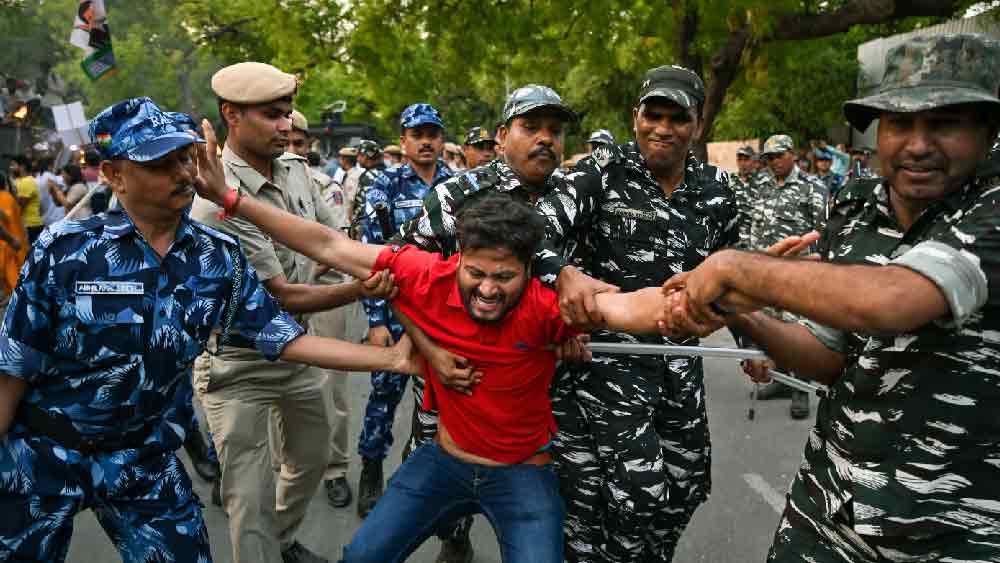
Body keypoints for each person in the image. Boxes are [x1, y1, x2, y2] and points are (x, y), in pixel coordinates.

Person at [0, 96, 418, 563]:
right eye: (161, 164)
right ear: (115, 175)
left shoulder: (215, 255)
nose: (182, 173)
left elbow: (285, 337)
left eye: (185, 158)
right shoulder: (67, 249)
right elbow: (15, 363)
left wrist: (393, 359)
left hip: (144, 459)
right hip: (43, 453)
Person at [191, 172, 680, 562]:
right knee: (362, 555)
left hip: (523, 475)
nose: (488, 289)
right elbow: (327, 245)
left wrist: (708, 292)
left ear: (531, 270)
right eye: (477, 273)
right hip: (442, 462)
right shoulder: (427, 275)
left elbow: (632, 309)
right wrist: (232, 199)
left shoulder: (549, 306)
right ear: (459, 259)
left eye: (505, 277)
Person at [661, 33, 1000, 563]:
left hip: (954, 533)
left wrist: (736, 267)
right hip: (829, 512)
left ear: (988, 133)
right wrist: (739, 313)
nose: (917, 143)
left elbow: (894, 300)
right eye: (900, 123)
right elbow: (828, 356)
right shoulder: (860, 205)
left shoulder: (991, 207)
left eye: (945, 123)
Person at [532, 65, 738, 562]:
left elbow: (734, 273)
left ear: (698, 123)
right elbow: (532, 232)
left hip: (678, 365)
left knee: (687, 483)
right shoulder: (601, 172)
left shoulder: (717, 190)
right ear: (635, 117)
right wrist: (566, 274)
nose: (662, 129)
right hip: (602, 365)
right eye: (653, 115)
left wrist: (758, 337)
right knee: (629, 494)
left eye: (677, 118)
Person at [189, 62, 376, 563]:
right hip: (237, 365)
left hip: (297, 353)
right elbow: (281, 296)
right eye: (272, 115)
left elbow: (332, 242)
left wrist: (370, 265)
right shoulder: (216, 197)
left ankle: (284, 541)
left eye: (288, 114)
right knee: (246, 500)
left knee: (312, 458)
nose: (286, 127)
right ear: (230, 114)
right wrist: (365, 289)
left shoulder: (297, 173)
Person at [356, 103, 452, 521]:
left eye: (433, 133)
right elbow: (370, 259)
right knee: (384, 394)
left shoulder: (460, 185)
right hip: (397, 309)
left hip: (447, 315)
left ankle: (435, 488)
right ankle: (371, 468)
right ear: (404, 141)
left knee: (443, 401)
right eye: (418, 134)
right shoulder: (384, 186)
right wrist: (376, 321)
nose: (427, 141)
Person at [289, 108, 353, 508]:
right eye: (287, 141)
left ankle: (336, 469)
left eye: (299, 143)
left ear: (308, 145)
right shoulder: (251, 188)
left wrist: (299, 275)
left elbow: (336, 243)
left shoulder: (326, 187)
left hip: (326, 291)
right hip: (279, 297)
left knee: (332, 387)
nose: (292, 149)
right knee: (283, 387)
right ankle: (289, 470)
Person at [746, 133, 827, 419]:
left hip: (798, 275)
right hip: (765, 272)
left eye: (779, 156)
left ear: (793, 154)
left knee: (797, 332)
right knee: (773, 329)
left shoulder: (812, 187)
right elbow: (753, 223)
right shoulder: (762, 185)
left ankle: (801, 389)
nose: (774, 162)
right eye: (769, 158)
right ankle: (780, 382)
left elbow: (823, 231)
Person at [347, 140, 386, 240]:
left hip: (367, 229)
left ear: (366, 155)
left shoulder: (368, 177)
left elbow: (365, 205)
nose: (358, 158)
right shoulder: (385, 173)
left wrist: (357, 228)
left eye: (359, 154)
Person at [0, 172, 26, 309]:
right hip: (8, 241)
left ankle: (14, 297)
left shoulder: (5, 197)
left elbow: (5, 216)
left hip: (10, 242)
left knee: (12, 272)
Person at [8, 156, 43, 243]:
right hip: (24, 224)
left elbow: (20, 206)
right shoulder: (19, 180)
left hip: (30, 226)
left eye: (13, 165)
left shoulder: (27, 181)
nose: (11, 167)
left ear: (22, 167)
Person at [731, 145, 758, 248]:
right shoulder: (730, 181)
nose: (743, 164)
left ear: (754, 161)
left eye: (746, 160)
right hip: (733, 239)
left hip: (753, 240)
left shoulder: (761, 183)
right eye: (740, 160)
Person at [35, 157, 66, 227]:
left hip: (44, 216)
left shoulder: (37, 177)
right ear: (50, 165)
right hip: (55, 215)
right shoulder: (51, 177)